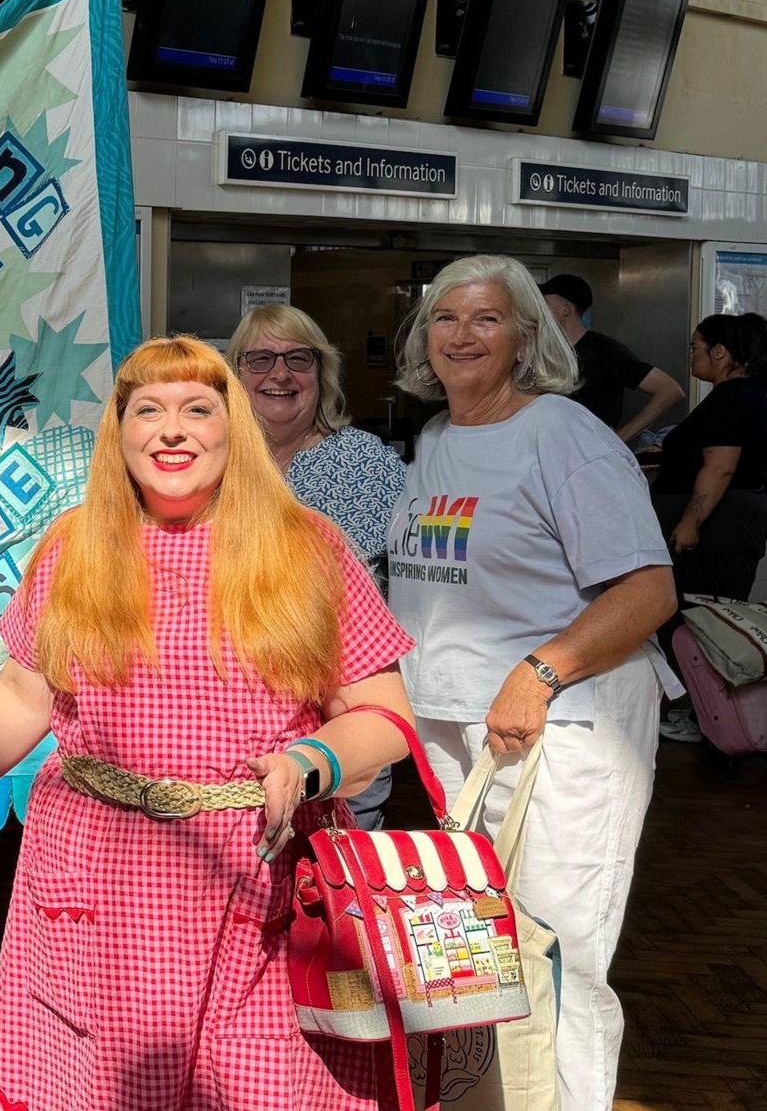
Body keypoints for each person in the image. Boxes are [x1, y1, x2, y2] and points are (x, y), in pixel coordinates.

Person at [0, 336, 419, 1108]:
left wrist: (310, 759)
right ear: (118, 433)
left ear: (235, 427)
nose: (172, 429)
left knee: (261, 1086)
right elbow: (25, 693)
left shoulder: (309, 550)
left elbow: (386, 717)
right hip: (101, 871)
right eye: (147, 410)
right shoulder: (73, 548)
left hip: (258, 877)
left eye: (198, 408)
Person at [387, 255, 680, 1111]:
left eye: (487, 318)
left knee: (559, 951)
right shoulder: (439, 437)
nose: (463, 335)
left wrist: (541, 669)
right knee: (484, 951)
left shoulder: (561, 431)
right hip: (458, 732)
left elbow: (649, 590)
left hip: (564, 726)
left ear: (526, 336)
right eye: (446, 318)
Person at [228, 304, 409, 828]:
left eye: (297, 359)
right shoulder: (214, 460)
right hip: (233, 720)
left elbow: (359, 590)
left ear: (321, 373)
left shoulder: (360, 459)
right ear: (235, 375)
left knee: (335, 875)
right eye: (260, 358)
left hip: (335, 712)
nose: (279, 373)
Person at [648, 313, 767, 602]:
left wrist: (691, 522)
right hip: (729, 521)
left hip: (719, 527)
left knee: (703, 614)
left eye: (695, 347)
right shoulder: (746, 395)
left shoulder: (732, 397)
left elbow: (720, 467)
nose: (691, 355)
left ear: (719, 352)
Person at [540, 273, 685, 445]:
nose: (539, 311)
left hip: (590, 457)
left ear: (566, 309)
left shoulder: (605, 350)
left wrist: (618, 440)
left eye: (545, 304)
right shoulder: (548, 351)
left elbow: (670, 390)